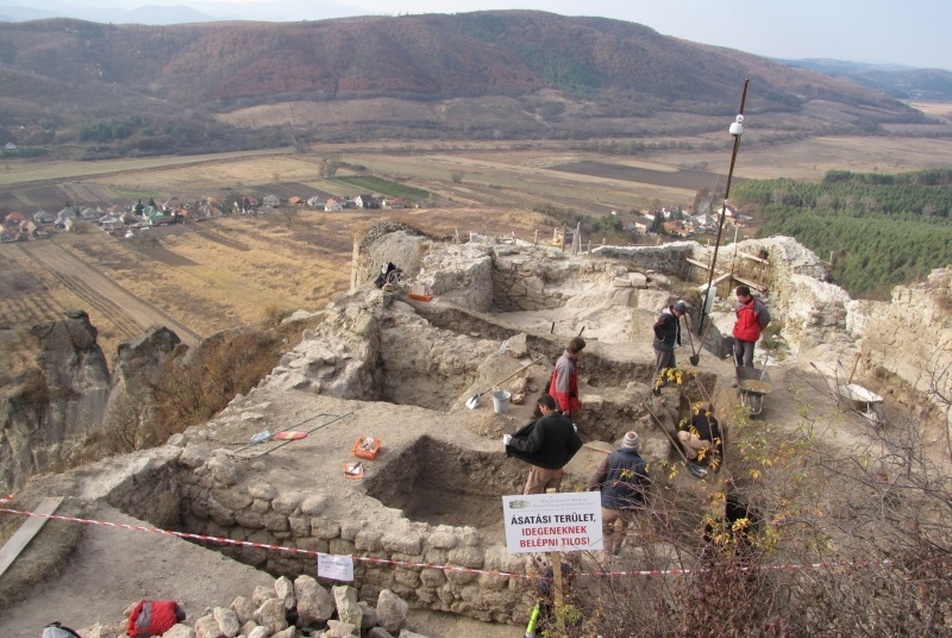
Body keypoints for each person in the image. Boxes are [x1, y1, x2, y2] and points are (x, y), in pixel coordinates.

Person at [587, 430, 650, 556]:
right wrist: (644, 505)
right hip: (627, 507)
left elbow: (600, 474)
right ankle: (616, 552)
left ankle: (607, 557)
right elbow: (645, 488)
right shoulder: (642, 465)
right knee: (620, 531)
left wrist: (590, 487)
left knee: (606, 532)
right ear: (637, 446)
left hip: (608, 504)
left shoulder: (612, 457)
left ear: (623, 444)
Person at [504, 394, 583, 494]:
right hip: (558, 469)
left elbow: (531, 446)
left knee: (530, 497)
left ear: (546, 407)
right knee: (551, 497)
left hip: (542, 468)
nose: (541, 411)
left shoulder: (543, 423)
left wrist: (511, 441)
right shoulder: (567, 422)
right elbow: (574, 444)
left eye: (541, 408)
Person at [652, 300, 688, 392]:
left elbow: (676, 331)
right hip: (663, 348)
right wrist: (661, 338)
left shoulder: (674, 317)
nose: (680, 316)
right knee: (661, 368)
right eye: (679, 314)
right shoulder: (666, 317)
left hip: (669, 347)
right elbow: (656, 327)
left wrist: (678, 342)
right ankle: (655, 388)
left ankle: (669, 387)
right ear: (675, 311)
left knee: (671, 367)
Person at [732, 285, 771, 368]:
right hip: (739, 334)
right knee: (737, 355)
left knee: (748, 359)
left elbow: (766, 319)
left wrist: (757, 329)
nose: (739, 300)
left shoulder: (759, 307)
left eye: (741, 298)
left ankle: (750, 376)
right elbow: (738, 316)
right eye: (738, 297)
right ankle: (739, 372)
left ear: (747, 296)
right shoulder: (738, 305)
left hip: (750, 336)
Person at [678, 403, 723, 470]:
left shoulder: (696, 416)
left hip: (703, 443)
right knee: (701, 440)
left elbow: (684, 428)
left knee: (680, 434)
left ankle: (694, 457)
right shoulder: (714, 419)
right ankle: (710, 458)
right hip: (714, 446)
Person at [548, 337, 585, 419]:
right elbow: (562, 389)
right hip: (559, 405)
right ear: (578, 351)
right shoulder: (566, 366)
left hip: (562, 402)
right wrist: (565, 408)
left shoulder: (567, 360)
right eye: (581, 351)